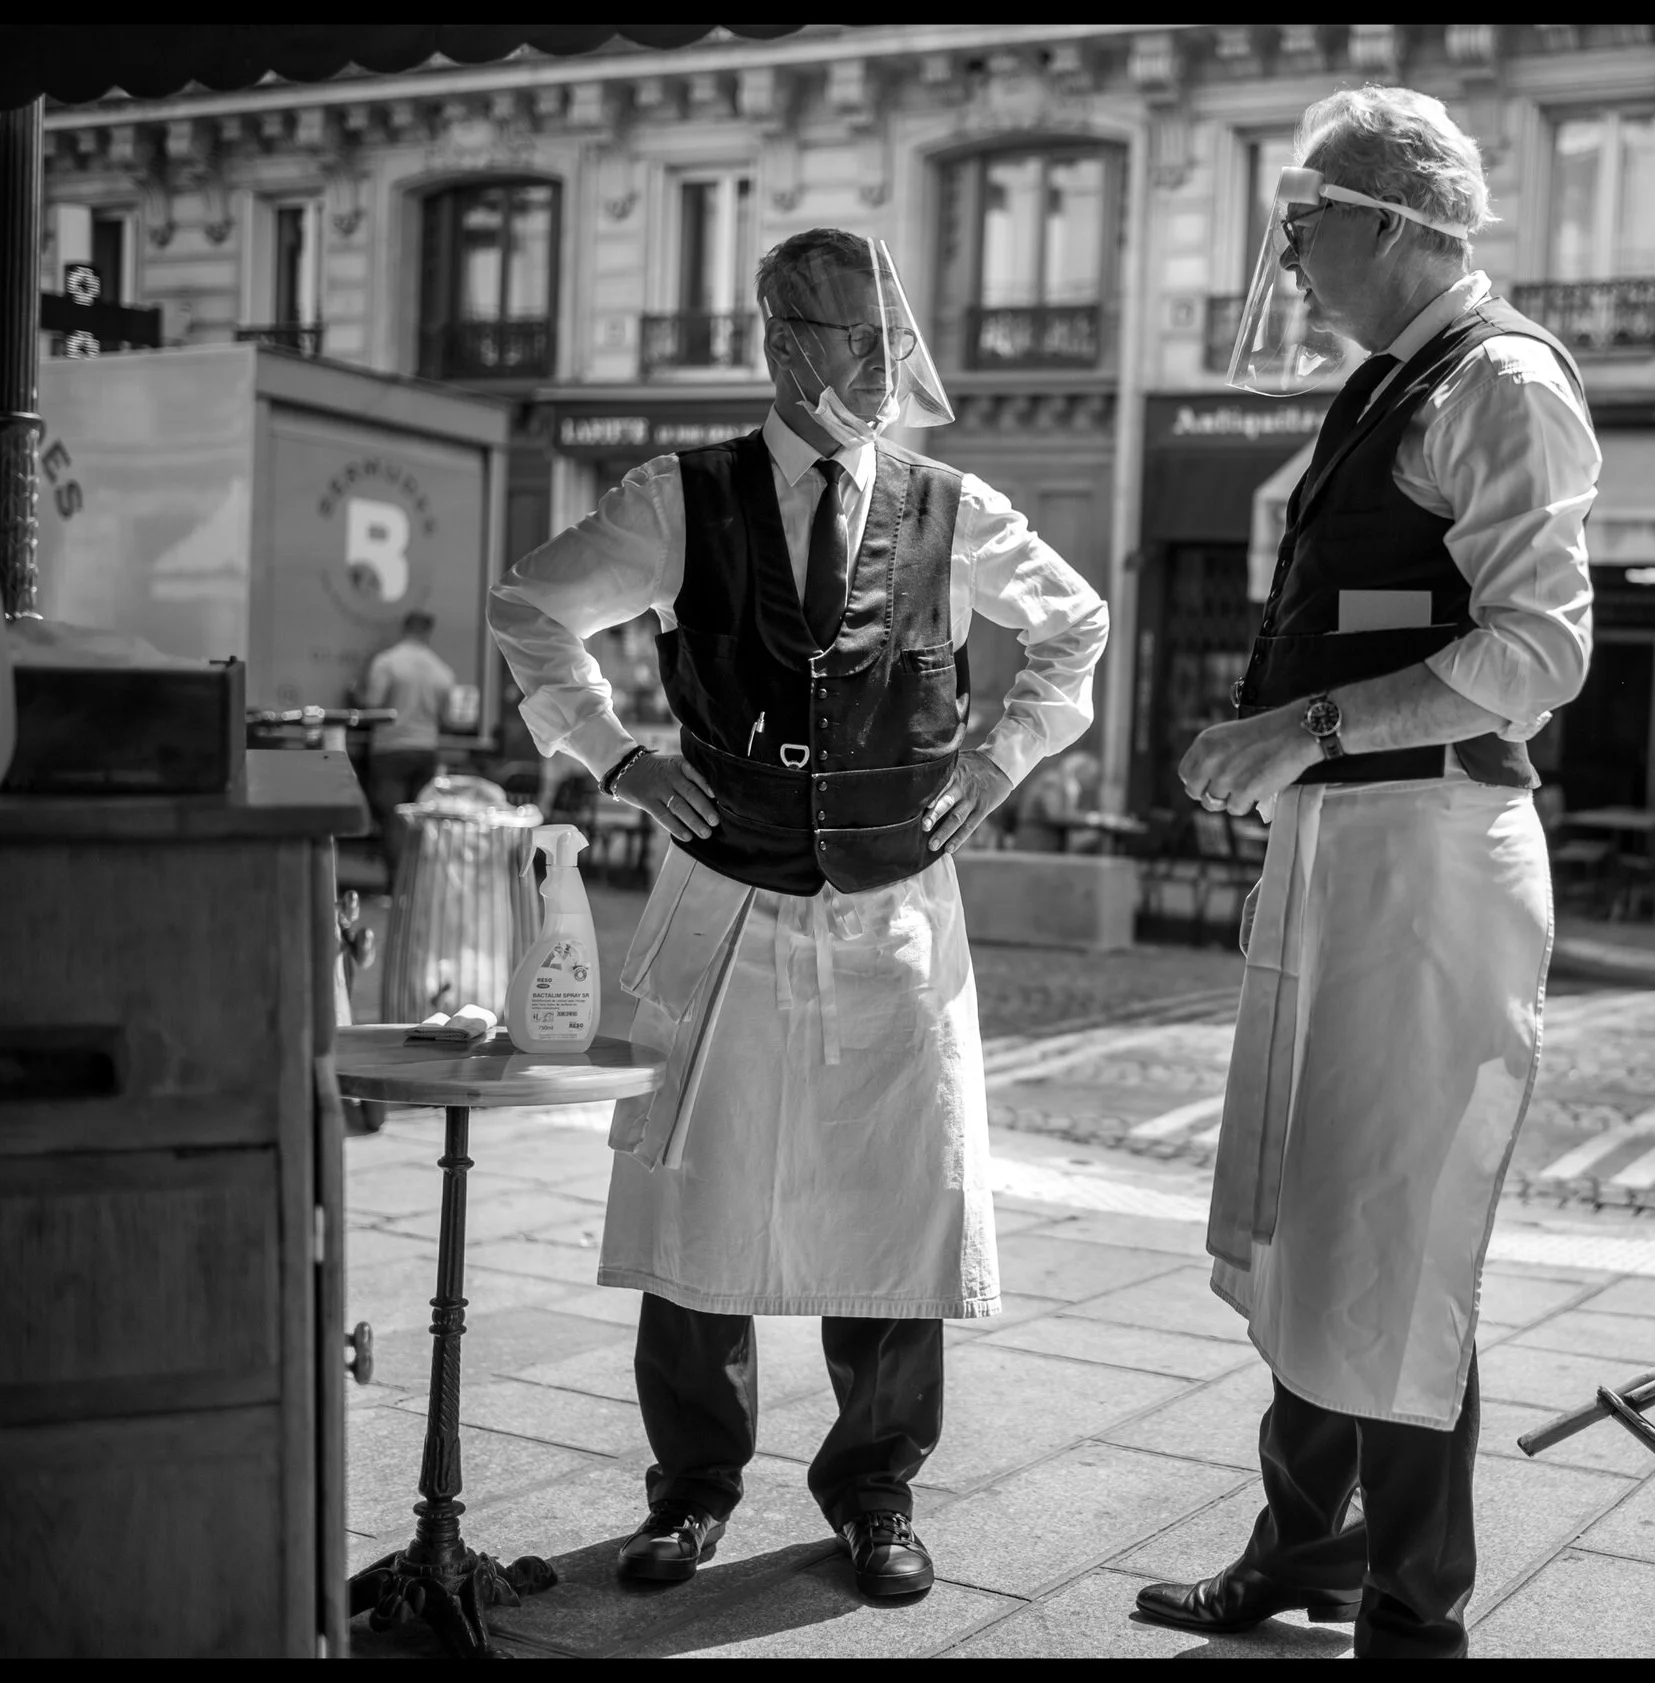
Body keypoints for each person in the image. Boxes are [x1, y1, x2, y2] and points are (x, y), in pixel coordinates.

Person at [487, 228, 1108, 1602]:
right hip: (728, 899)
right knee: (697, 1203)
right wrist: (619, 755)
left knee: (897, 1206)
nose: (884, 360)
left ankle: (875, 1487)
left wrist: (999, 761)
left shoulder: (951, 505)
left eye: (890, 332)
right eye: (851, 334)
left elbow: (1075, 627)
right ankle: (693, 1488)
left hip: (891, 909)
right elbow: (531, 605)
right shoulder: (679, 498)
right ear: (780, 343)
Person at [1138, 87, 1597, 1659]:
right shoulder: (1395, 377)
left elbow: (1538, 650)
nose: (1289, 250)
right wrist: (1295, 750)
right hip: (1356, 845)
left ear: (1401, 224)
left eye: (1306, 218)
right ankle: (1304, 1549)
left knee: (1398, 1237)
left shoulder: (1504, 383)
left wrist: (1301, 726)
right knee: (1306, 1216)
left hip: (1431, 861)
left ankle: (1416, 1611)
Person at [360, 610, 459, 879]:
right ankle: (417, 884)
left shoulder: (388, 662)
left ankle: (397, 885)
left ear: (405, 629)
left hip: (390, 750)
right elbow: (448, 718)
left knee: (394, 819)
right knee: (421, 819)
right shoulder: (442, 671)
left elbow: (372, 704)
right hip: (425, 751)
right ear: (428, 633)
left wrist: (353, 693)